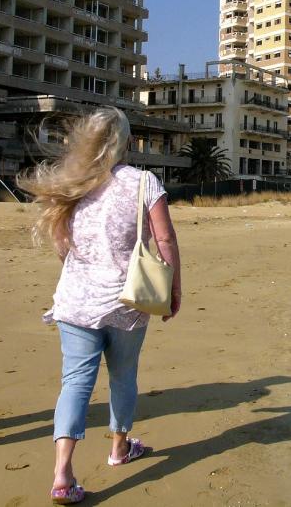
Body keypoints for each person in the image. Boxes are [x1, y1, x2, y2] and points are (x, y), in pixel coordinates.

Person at [18, 107, 182, 505]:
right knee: (123, 376)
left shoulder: (74, 183)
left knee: (74, 382)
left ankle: (62, 473)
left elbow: (61, 244)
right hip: (128, 301)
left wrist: (81, 272)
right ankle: (119, 448)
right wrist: (174, 289)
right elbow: (166, 241)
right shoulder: (144, 182)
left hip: (76, 301)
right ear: (124, 141)